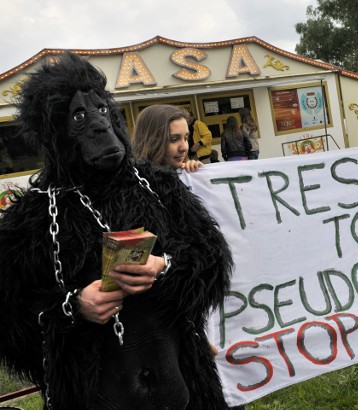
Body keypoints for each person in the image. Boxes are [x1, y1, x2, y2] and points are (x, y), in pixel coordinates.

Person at [0, 52, 233, 408]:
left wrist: (163, 267)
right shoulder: (33, 218)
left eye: (102, 110)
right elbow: (11, 316)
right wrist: (73, 308)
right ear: (54, 131)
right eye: (79, 116)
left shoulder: (158, 186)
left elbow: (212, 257)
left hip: (185, 388)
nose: (98, 125)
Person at [132, 105, 203, 172]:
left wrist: (199, 175)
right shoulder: (137, 181)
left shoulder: (186, 171)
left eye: (186, 138)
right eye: (174, 139)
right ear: (150, 141)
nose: (184, 147)